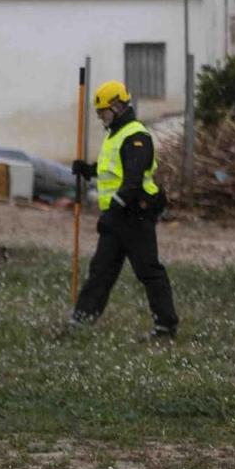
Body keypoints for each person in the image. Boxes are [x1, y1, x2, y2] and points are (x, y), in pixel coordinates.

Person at [70, 79, 179, 339]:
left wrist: (113, 213)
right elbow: (110, 169)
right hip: (117, 217)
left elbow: (131, 180)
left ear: (117, 107)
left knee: (148, 271)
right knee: (101, 270)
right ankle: (81, 321)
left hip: (135, 215)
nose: (100, 118)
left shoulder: (136, 136)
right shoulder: (116, 134)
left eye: (103, 112)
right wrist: (87, 170)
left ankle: (166, 326)